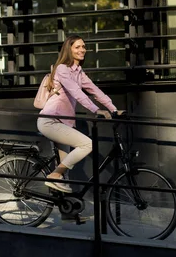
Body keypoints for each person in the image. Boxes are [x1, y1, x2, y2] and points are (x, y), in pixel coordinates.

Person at [37, 34, 121, 193]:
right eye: (77, 47)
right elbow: (77, 92)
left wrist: (113, 109)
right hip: (50, 121)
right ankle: (54, 175)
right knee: (87, 144)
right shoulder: (62, 69)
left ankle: (69, 214)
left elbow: (95, 90)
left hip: (62, 123)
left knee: (65, 171)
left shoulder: (78, 72)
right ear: (69, 49)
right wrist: (96, 110)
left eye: (83, 46)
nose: (82, 49)